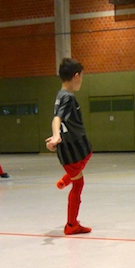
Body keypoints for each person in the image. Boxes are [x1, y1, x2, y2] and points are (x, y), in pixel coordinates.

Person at [45, 58, 93, 235]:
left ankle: (66, 179)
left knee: (88, 153)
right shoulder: (68, 97)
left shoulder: (61, 94)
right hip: (72, 149)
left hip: (71, 147)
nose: (81, 81)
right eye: (82, 77)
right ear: (76, 76)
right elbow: (57, 118)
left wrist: (57, 135)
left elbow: (59, 118)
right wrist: (56, 135)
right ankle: (72, 225)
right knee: (78, 183)